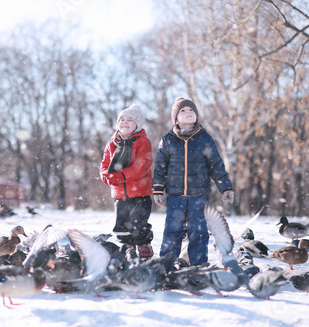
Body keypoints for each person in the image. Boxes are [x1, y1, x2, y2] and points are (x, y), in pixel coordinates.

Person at [152, 97, 234, 265]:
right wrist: (158, 190)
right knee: (172, 232)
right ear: (175, 118)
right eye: (183, 111)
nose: (188, 112)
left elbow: (216, 165)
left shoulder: (205, 139)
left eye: (191, 110)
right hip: (175, 196)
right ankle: (166, 267)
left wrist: (225, 187)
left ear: (196, 115)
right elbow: (160, 168)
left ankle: (198, 267)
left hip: (199, 196)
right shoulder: (167, 140)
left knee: (199, 233)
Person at [100, 104, 155, 259]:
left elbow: (143, 165)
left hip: (140, 193)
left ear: (137, 125)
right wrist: (106, 175)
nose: (124, 122)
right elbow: (105, 163)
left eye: (130, 120)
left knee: (139, 225)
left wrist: (122, 175)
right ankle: (128, 251)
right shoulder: (112, 144)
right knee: (122, 225)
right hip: (119, 194)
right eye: (122, 119)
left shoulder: (143, 142)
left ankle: (144, 250)